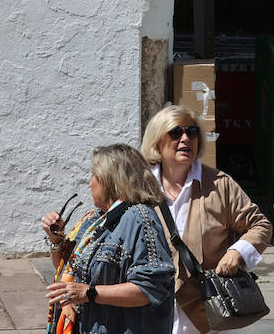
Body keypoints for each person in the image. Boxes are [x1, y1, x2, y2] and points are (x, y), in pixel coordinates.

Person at [141, 105, 273, 334]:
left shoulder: (219, 184)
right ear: (157, 141)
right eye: (175, 132)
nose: (185, 139)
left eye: (192, 132)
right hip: (149, 309)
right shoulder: (139, 187)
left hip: (204, 312)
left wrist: (238, 252)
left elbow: (260, 225)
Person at [41, 143, 176, 334]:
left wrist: (88, 293)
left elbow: (150, 289)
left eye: (94, 176)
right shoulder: (95, 219)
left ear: (111, 180)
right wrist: (56, 240)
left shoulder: (141, 219)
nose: (90, 182)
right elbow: (67, 269)